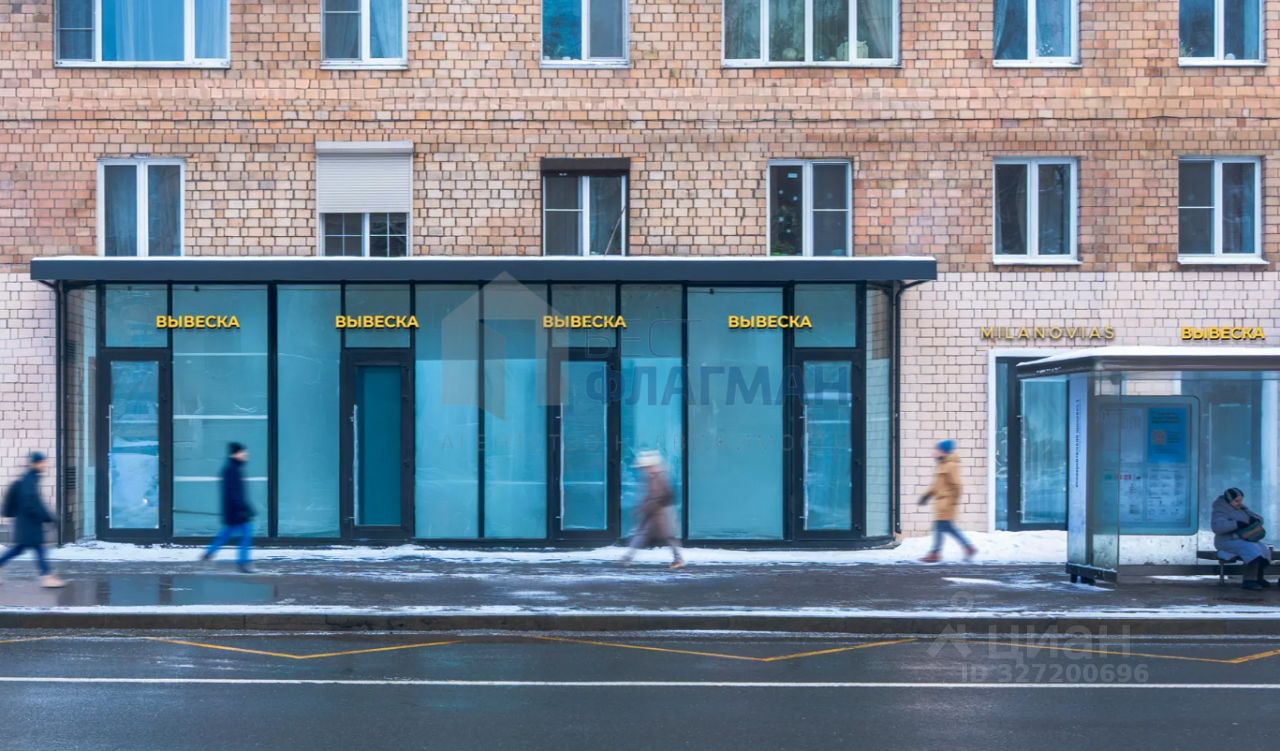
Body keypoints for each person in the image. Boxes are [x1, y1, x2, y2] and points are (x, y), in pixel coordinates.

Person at [0, 452, 67, 588]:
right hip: (28, 523)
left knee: (21, 549)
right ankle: (46, 576)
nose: (44, 465)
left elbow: (34, 502)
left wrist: (47, 516)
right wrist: (48, 517)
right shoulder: (29, 480)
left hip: (27, 523)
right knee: (38, 548)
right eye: (42, 462)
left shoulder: (31, 478)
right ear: (35, 463)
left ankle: (46, 575)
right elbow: (32, 503)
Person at [621, 451, 685, 569]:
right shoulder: (653, 476)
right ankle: (628, 556)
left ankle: (678, 559)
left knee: (666, 536)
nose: (643, 469)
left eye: (645, 467)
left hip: (661, 511)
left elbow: (658, 496)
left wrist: (644, 508)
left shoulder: (658, 477)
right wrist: (643, 507)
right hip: (656, 511)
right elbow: (652, 496)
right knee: (644, 534)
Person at [918, 439, 977, 563]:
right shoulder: (942, 465)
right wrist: (927, 496)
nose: (934, 451)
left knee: (940, 527)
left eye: (936, 449)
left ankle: (935, 553)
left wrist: (953, 502)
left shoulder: (951, 465)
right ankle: (967, 547)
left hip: (947, 504)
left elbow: (957, 485)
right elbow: (936, 486)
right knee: (947, 528)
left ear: (943, 451)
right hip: (941, 503)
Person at [200, 442, 255, 573]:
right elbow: (232, 493)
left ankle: (209, 553)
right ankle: (243, 562)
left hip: (233, 510)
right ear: (235, 454)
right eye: (243, 452)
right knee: (245, 534)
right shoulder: (232, 470)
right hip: (236, 511)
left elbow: (235, 493)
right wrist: (243, 507)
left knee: (226, 534)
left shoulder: (233, 468)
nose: (245, 454)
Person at [1211, 487, 1271, 591]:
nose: (1239, 503)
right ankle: (1249, 580)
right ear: (1229, 500)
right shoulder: (1220, 510)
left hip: (1242, 538)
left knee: (1263, 549)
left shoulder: (1241, 509)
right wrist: (1236, 524)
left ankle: (1258, 577)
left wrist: (1252, 518)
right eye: (1236, 501)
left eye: (1241, 500)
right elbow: (1217, 527)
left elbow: (1259, 518)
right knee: (1251, 550)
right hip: (1226, 541)